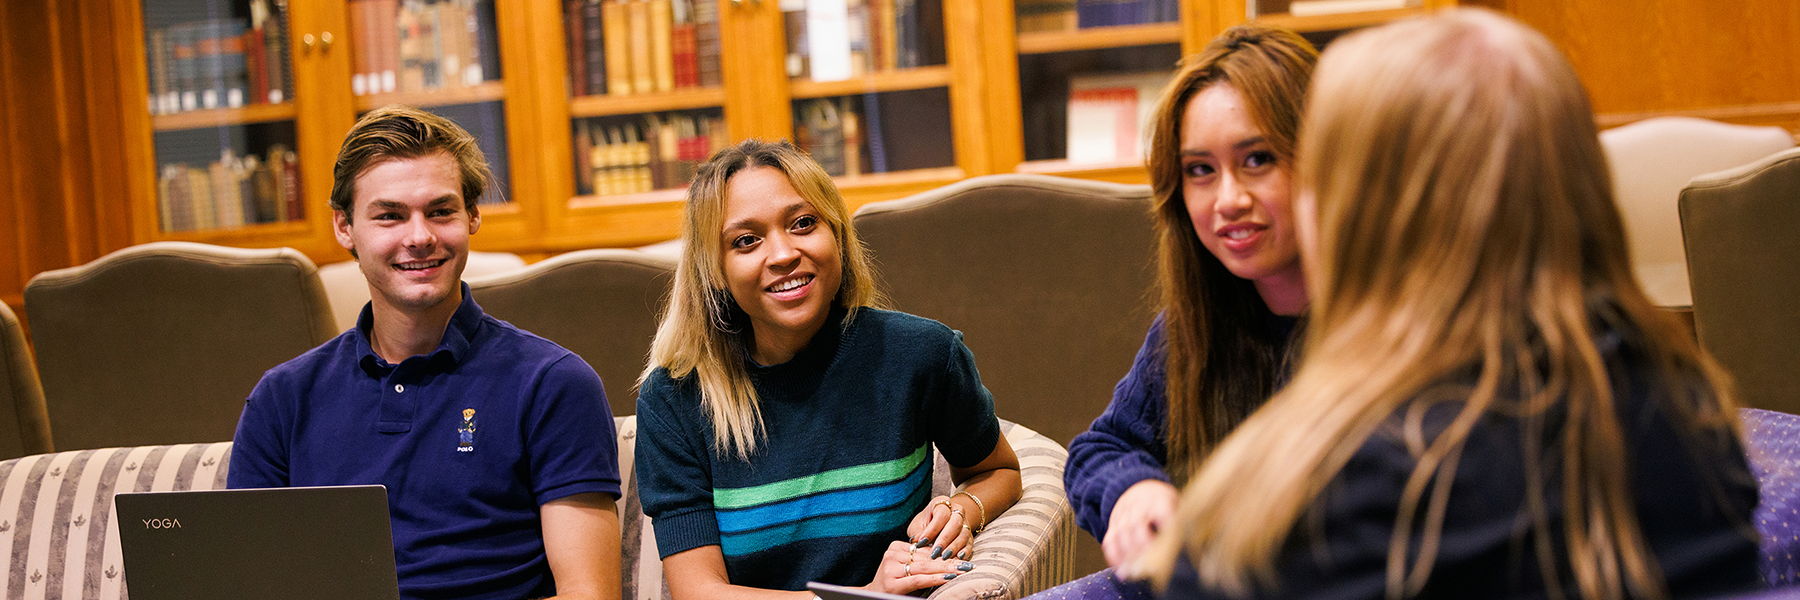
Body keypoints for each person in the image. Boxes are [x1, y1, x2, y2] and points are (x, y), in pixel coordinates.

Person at [1139, 9, 1760, 599]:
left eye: (1302, 170)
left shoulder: (1333, 499)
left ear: (1372, 212)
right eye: (1200, 169)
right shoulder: (1695, 413)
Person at [229, 105, 621, 600]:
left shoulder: (553, 383)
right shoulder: (281, 399)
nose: (420, 237)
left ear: (473, 215)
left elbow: (590, 595)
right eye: (389, 215)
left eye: (440, 211)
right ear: (344, 227)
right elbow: (246, 584)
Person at [634, 139, 1023, 600]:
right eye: (746, 241)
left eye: (803, 223)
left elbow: (1000, 471)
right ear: (715, 270)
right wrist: (864, 596)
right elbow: (699, 591)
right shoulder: (674, 399)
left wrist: (963, 508)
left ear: (837, 234)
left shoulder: (922, 354)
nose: (781, 254)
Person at [1062, 22, 1318, 579]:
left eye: (1258, 159)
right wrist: (1134, 490)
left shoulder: (1397, 328)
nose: (1229, 199)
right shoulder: (1192, 326)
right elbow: (1097, 450)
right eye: (1200, 171)